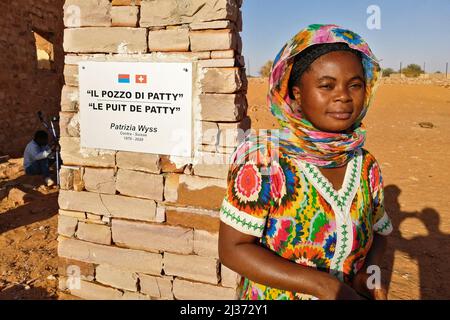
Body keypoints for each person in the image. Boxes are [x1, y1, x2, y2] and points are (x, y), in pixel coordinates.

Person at [218, 24, 393, 300]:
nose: (344, 96)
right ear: (297, 94)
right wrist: (324, 287)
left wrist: (368, 273)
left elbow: (380, 232)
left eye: (355, 85)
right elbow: (233, 249)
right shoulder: (264, 159)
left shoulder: (365, 163)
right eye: (327, 85)